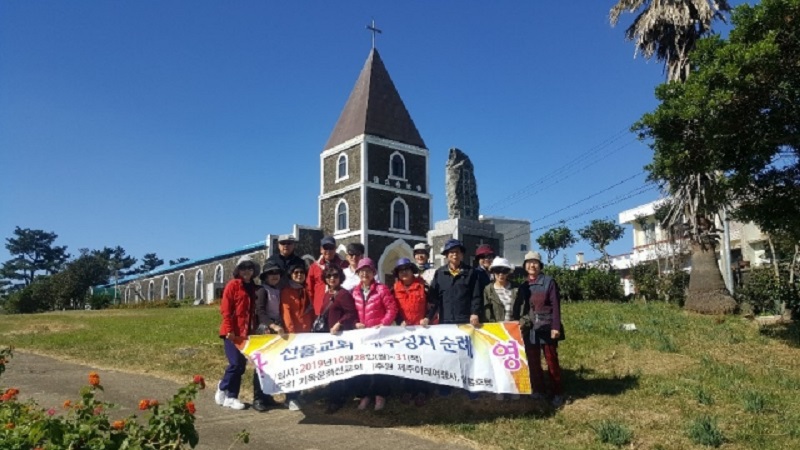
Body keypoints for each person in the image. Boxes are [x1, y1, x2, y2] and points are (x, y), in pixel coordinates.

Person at [426, 239, 482, 399]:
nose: (454, 255)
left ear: (462, 254)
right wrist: (428, 317)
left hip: (465, 322)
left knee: (467, 356)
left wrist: (475, 312)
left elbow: (476, 296)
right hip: (446, 322)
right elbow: (434, 299)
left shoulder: (471, 273)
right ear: (446, 256)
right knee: (447, 355)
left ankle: (470, 387)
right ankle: (447, 386)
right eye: (451, 252)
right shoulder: (440, 274)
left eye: (457, 252)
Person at [513, 250, 565, 408]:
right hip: (530, 328)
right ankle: (539, 389)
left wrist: (555, 327)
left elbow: (556, 306)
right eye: (529, 262)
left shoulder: (549, 282)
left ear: (540, 265)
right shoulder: (523, 285)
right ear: (525, 266)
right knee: (533, 361)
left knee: (551, 360)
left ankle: (557, 392)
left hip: (547, 326)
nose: (532, 265)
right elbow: (520, 308)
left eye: (535, 262)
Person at [351, 257, 398, 411]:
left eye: (368, 271)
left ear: (373, 273)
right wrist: (355, 323)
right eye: (362, 271)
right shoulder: (355, 292)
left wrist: (383, 324)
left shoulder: (381, 289)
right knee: (364, 366)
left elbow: (392, 309)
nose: (365, 274)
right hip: (362, 336)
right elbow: (351, 313)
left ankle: (380, 396)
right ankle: (365, 396)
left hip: (378, 335)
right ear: (358, 273)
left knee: (378, 366)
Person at [215, 255, 260, 411]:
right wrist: (229, 329)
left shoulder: (254, 288)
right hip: (232, 332)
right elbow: (226, 310)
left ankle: (232, 396)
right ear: (238, 270)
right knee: (234, 363)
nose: (246, 271)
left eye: (249, 267)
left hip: (246, 333)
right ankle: (223, 386)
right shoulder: (233, 285)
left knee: (241, 366)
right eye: (243, 268)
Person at [318, 265, 358, 414]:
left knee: (338, 368)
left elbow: (351, 313)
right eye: (329, 276)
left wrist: (339, 323)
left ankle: (336, 400)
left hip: (341, 336)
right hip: (329, 337)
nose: (332, 278)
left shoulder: (343, 294)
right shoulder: (327, 294)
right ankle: (335, 396)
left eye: (335, 275)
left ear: (340, 277)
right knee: (331, 368)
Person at [391, 258, 431, 406]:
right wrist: (399, 319)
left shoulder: (423, 286)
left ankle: (422, 391)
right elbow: (392, 308)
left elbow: (434, 304)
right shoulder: (393, 289)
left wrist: (427, 317)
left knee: (422, 361)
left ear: (412, 270)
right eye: (401, 270)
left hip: (422, 331)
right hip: (404, 332)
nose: (404, 272)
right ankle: (408, 390)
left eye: (407, 269)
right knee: (407, 362)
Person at [482, 256, 520, 401]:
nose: (501, 274)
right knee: (498, 362)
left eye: (504, 271)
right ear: (493, 273)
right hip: (497, 331)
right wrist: (492, 328)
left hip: (514, 331)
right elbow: (486, 311)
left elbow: (523, 309)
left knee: (514, 360)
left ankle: (515, 387)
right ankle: (500, 388)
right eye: (497, 271)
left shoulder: (516, 289)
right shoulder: (488, 290)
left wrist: (522, 323)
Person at [279, 263, 314, 411]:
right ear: (291, 275)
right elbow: (286, 313)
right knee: (292, 367)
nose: (299, 275)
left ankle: (298, 394)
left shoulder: (306, 290)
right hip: (293, 334)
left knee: (301, 367)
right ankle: (290, 397)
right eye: (295, 273)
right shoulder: (287, 291)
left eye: (301, 272)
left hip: (306, 333)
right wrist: (291, 333)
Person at [252, 261, 286, 412]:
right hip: (265, 330)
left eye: (276, 273)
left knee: (272, 366)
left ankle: (268, 396)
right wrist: (272, 325)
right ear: (265, 276)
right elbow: (260, 312)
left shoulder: (277, 290)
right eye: (271, 273)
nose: (274, 276)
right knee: (261, 367)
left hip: (277, 330)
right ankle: (258, 398)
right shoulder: (262, 291)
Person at [306, 236, 348, 316]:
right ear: (321, 250)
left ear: (335, 249)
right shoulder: (314, 267)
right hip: (320, 309)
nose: (328, 251)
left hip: (340, 308)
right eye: (326, 248)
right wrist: (315, 304)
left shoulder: (344, 265)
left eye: (331, 247)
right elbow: (309, 289)